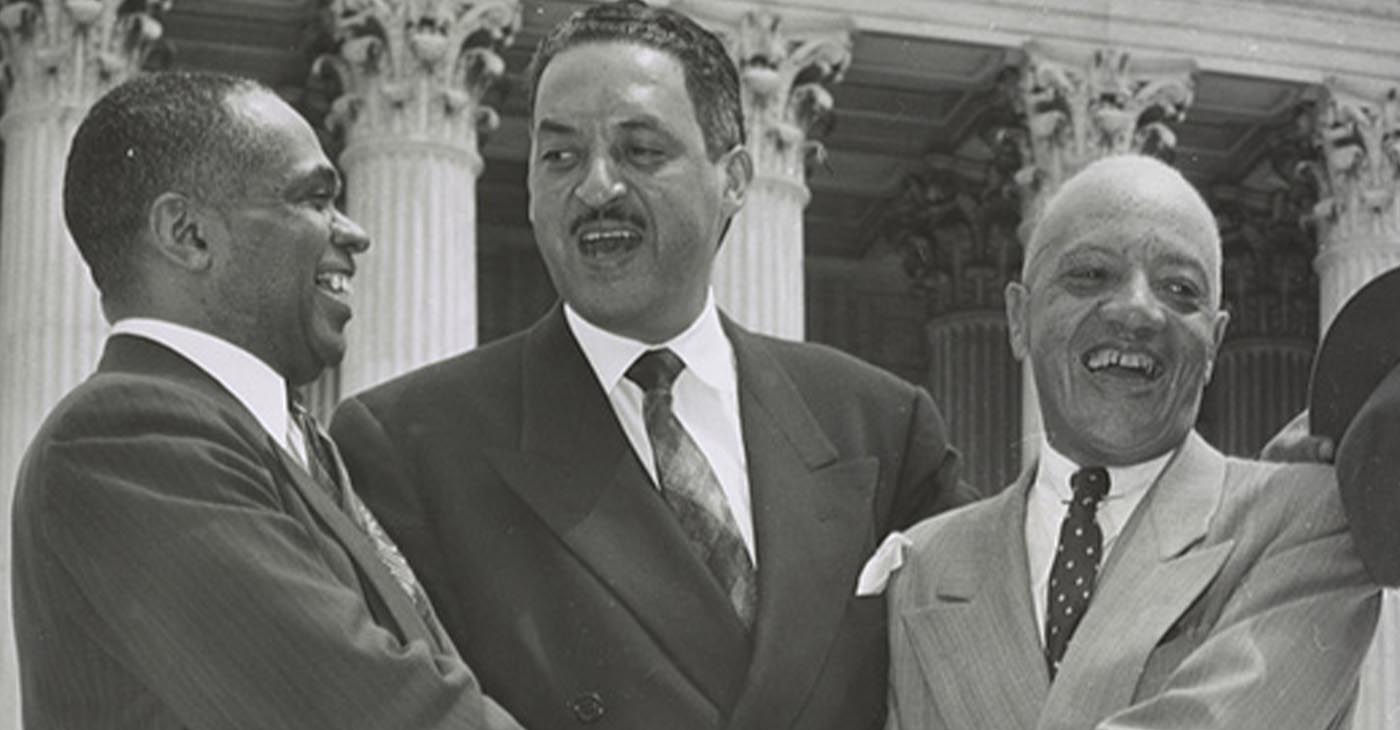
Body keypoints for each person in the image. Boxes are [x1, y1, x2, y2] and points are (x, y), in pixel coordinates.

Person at [329, 2, 971, 728]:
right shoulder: (408, 445)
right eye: (560, 156)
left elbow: (994, 657)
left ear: (734, 178)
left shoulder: (878, 425)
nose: (595, 187)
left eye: (640, 151)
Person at [10, 71, 519, 729]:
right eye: (315, 199)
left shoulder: (287, 438)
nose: (354, 232)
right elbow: (378, 712)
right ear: (188, 234)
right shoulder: (124, 440)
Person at [885, 155, 1381, 729]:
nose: (1137, 311)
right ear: (1019, 318)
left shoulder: (1311, 516)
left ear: (1215, 341)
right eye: (1091, 274)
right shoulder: (924, 565)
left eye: (1180, 288)